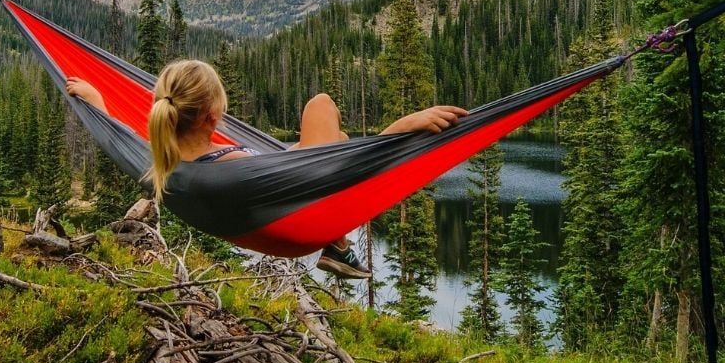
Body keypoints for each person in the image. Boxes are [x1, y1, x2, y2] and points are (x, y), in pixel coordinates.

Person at [66, 59, 467, 280]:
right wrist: (400, 130)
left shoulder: (160, 162)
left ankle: (340, 245)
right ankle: (338, 245)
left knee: (338, 137)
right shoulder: (232, 169)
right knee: (321, 104)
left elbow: (121, 138)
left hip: (271, 200)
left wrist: (98, 104)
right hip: (297, 225)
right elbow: (337, 177)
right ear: (212, 116)